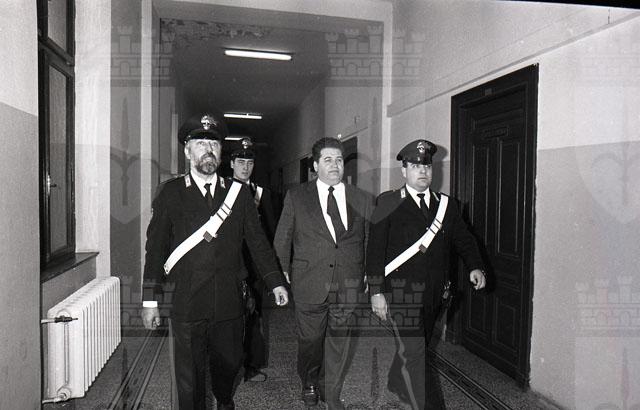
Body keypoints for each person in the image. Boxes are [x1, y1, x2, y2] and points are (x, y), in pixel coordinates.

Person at [141, 114, 289, 410]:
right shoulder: (170, 193)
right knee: (189, 377)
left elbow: (258, 242)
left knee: (229, 363)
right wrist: (149, 301)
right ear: (187, 151)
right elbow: (155, 249)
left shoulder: (238, 193)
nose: (208, 150)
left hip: (228, 299)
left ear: (221, 152)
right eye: (200, 143)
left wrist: (275, 281)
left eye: (214, 144)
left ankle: (224, 400)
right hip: (186, 299)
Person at [365, 139, 486, 409]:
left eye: (427, 167)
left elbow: (463, 239)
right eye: (415, 166)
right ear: (404, 171)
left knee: (418, 345)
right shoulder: (388, 202)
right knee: (417, 355)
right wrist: (376, 292)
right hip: (401, 294)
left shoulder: (447, 205)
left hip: (435, 293)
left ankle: (397, 380)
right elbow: (374, 251)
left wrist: (475, 265)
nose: (423, 171)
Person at [273, 137, 373, 409]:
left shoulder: (362, 198)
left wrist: (368, 273)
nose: (335, 165)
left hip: (348, 281)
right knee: (310, 341)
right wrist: (281, 272)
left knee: (339, 340)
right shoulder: (297, 196)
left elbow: (368, 239)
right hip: (309, 280)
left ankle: (331, 387)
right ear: (315, 165)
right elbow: (283, 237)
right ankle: (309, 380)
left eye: (339, 160)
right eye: (328, 160)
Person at [229, 138, 276, 383]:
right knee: (228, 316)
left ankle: (251, 366)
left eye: (249, 163)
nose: (245, 167)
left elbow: (270, 231)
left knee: (254, 314)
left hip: (255, 266)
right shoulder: (222, 191)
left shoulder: (261, 193)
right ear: (231, 164)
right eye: (240, 162)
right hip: (229, 264)